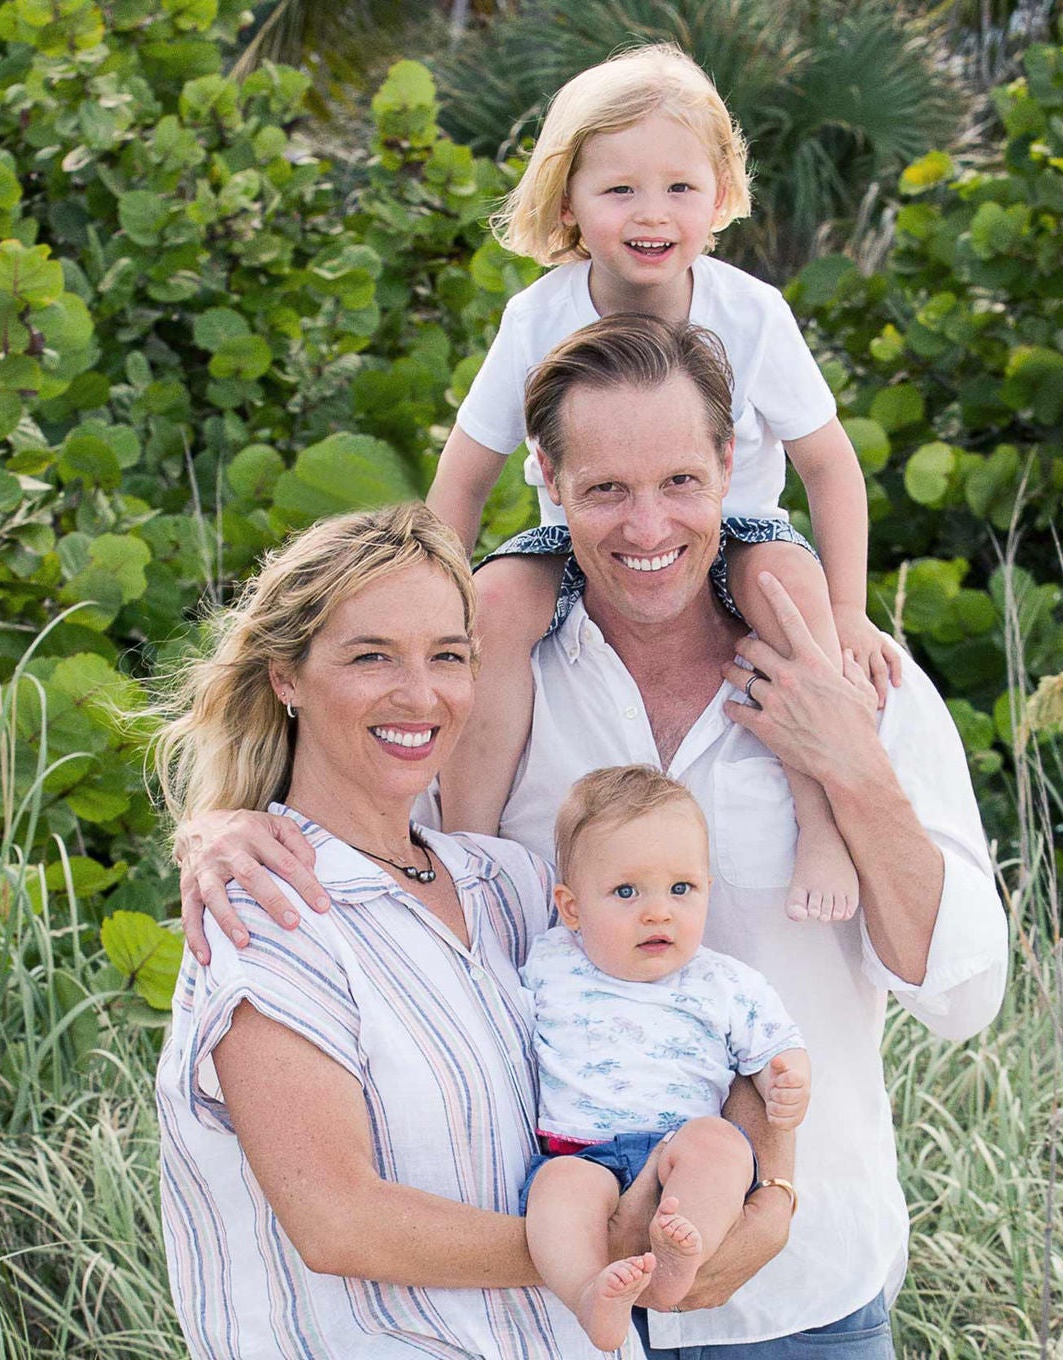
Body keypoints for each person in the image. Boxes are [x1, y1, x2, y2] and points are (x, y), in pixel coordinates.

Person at [176, 315, 1011, 1357]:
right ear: (547, 481)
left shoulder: (849, 675)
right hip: (532, 1309)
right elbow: (366, 815)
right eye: (604, 488)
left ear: (727, 467)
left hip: (796, 1302)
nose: (646, 524)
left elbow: (963, 996)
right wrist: (220, 820)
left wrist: (847, 760)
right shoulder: (487, 675)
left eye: (676, 481)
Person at [149, 503, 781, 1358]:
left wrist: (768, 1187)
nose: (421, 694)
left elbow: (697, 1011)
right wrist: (606, 1246)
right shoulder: (265, 913)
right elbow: (339, 1223)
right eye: (371, 656)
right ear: (285, 677)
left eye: (447, 656)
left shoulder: (511, 885)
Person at [425, 43, 903, 924]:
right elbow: (463, 477)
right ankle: (471, 844)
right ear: (567, 201)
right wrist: (437, 605)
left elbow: (830, 466)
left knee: (786, 588)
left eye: (680, 188)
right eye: (620, 191)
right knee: (493, 603)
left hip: (735, 527)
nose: (653, 214)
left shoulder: (752, 312)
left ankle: (820, 820)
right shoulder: (538, 314)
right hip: (582, 537)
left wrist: (849, 614)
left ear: (720, 194)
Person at [521, 765, 811, 1351]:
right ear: (572, 909)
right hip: (580, 1150)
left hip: (680, 1148)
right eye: (627, 892)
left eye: (682, 889)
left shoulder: (724, 981)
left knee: (723, 1146)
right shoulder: (548, 963)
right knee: (556, 1193)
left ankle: (682, 1258)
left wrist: (789, 1078)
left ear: (707, 888)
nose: (659, 912)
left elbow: (775, 1047)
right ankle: (588, 1293)